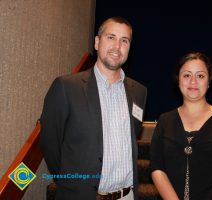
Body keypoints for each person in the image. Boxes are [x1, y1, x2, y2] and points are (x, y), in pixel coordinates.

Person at [40, 16, 147, 200]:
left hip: (127, 196)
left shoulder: (139, 91)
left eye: (124, 40)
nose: (117, 46)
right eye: (110, 37)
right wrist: (72, 184)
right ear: (97, 42)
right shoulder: (66, 87)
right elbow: (50, 143)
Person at [150, 52, 212, 200]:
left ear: (209, 80)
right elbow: (157, 167)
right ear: (178, 79)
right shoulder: (164, 120)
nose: (193, 81)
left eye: (200, 76)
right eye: (187, 75)